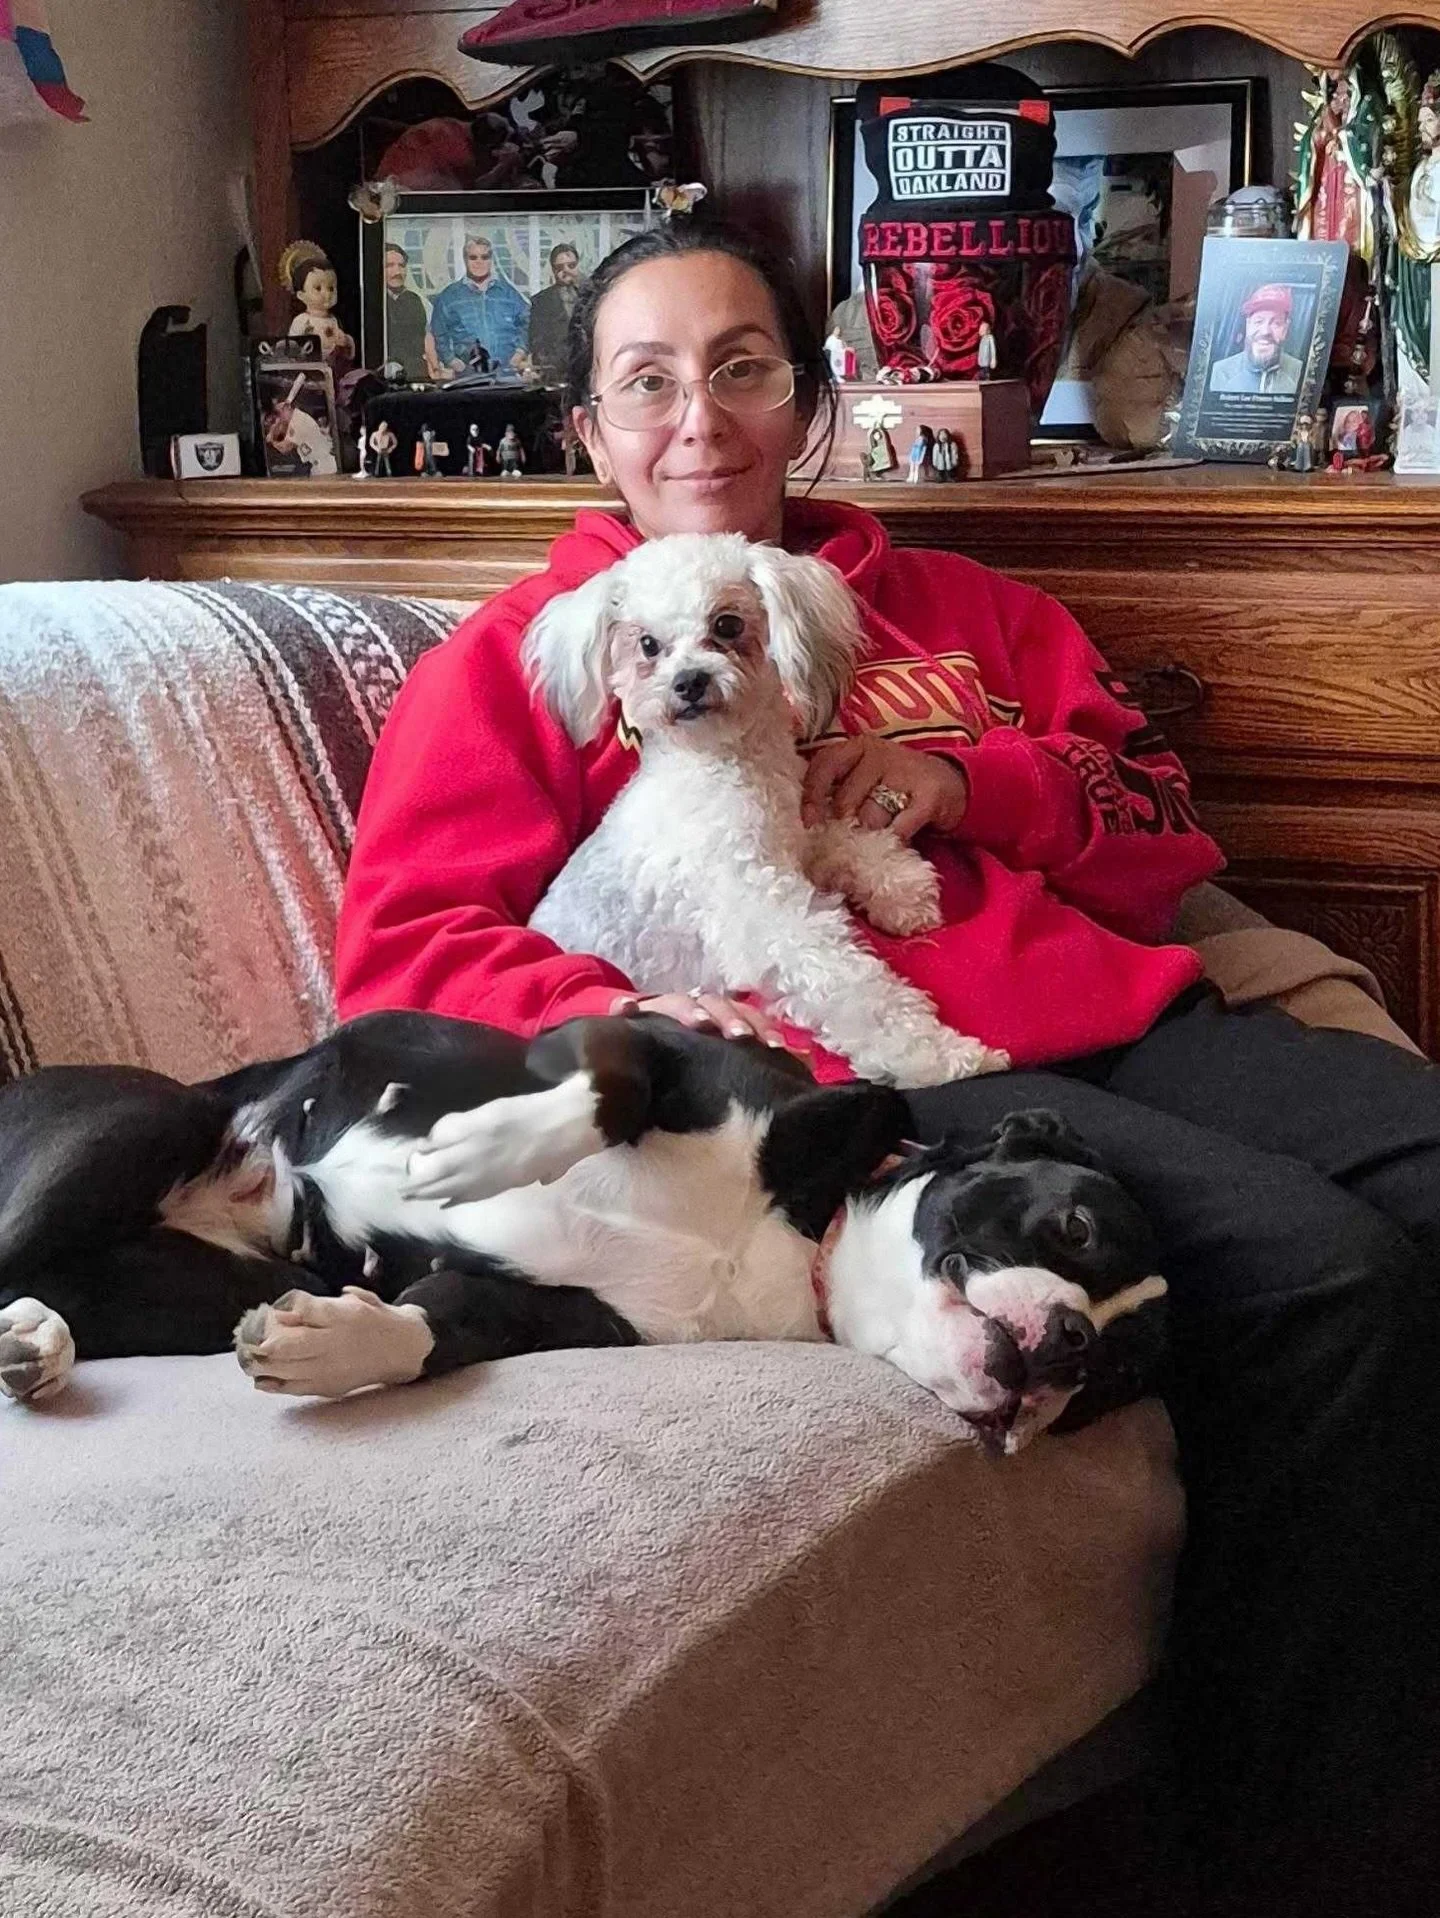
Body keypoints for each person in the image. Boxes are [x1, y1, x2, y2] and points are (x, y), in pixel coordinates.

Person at [335, 220, 1440, 1917]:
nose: (699, 418)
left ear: (812, 401)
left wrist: (973, 781)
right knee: (1334, 1277)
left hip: (1131, 1010)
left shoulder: (965, 607)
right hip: (893, 1092)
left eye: (743, 368)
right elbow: (403, 952)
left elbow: (1161, 828)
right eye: (646, 382)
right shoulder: (530, 658)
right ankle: (1305, 1857)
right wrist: (628, 1011)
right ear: (588, 428)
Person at [427, 235, 530, 380]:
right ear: (465, 259)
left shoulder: (509, 294)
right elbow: (438, 332)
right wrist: (452, 361)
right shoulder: (449, 297)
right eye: (473, 257)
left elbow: (528, 323)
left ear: (491, 260)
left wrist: (519, 354)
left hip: (507, 375)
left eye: (484, 257)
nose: (479, 262)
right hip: (467, 378)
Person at [1209, 283, 1305, 395]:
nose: (1265, 331)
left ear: (1285, 329)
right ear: (1248, 325)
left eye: (1276, 323)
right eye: (1259, 321)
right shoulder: (1222, 372)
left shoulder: (1301, 373)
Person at [527, 242, 585, 384]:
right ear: (553, 270)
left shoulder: (592, 295)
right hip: (556, 375)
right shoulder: (541, 301)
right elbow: (537, 343)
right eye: (560, 267)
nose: (566, 271)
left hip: (588, 371)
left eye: (571, 265)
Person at [382, 242, 431, 382]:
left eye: (401, 266)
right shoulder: (373, 301)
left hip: (416, 372)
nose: (397, 272)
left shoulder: (416, 300)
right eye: (389, 266)